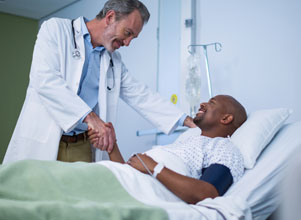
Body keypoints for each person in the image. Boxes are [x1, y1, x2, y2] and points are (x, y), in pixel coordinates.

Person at [3, 0, 195, 164]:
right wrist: (90, 118)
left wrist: (188, 122)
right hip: (44, 138)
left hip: (81, 145)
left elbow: (142, 95)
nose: (127, 43)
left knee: (79, 204)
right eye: (127, 33)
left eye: (133, 38)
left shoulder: (113, 61)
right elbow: (45, 79)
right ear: (110, 17)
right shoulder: (56, 29)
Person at [89, 95, 247, 204]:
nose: (202, 104)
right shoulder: (187, 139)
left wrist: (154, 167)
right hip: (116, 179)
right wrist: (111, 146)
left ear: (226, 118)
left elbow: (208, 193)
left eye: (211, 103)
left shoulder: (223, 148)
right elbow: (130, 176)